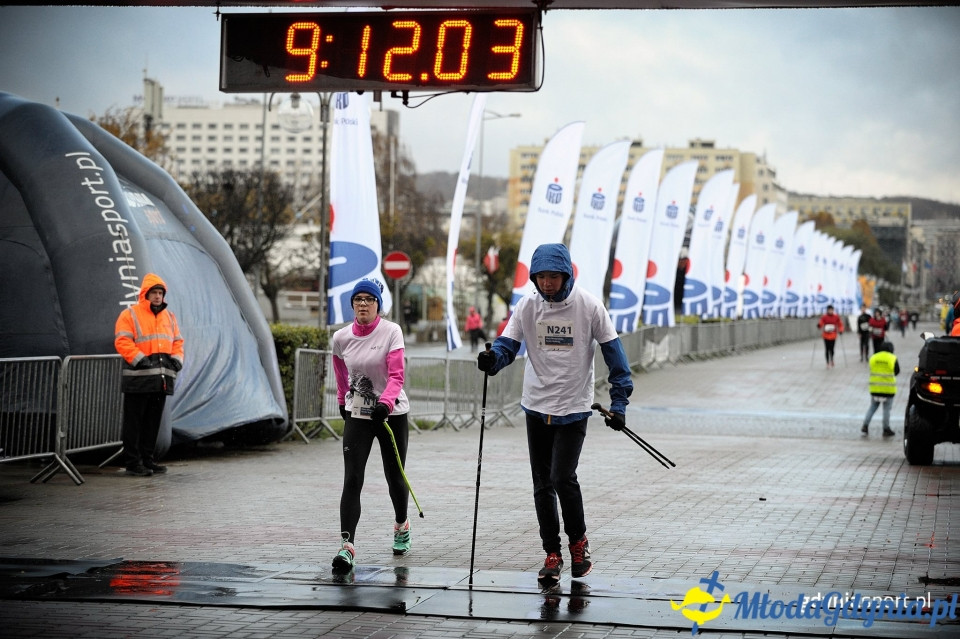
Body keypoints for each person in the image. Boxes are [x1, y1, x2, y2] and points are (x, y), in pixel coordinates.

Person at [476, 243, 633, 582]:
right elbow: (507, 345)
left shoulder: (589, 306)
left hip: (574, 407)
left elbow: (616, 358)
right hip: (536, 405)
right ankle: (552, 553)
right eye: (541, 277)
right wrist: (493, 360)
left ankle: (578, 543)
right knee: (542, 483)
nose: (547, 283)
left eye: (553, 276)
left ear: (566, 275)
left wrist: (619, 403)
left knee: (562, 477)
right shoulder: (527, 306)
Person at [330, 278, 411, 573]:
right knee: (352, 478)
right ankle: (347, 546)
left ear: (378, 304)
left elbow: (397, 375)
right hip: (359, 414)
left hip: (391, 413)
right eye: (358, 299)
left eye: (369, 299)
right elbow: (341, 374)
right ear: (352, 304)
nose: (363, 304)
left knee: (394, 477)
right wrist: (342, 401)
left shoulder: (391, 331)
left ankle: (401, 524)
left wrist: (385, 404)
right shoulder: (341, 337)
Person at [114, 273, 184, 477]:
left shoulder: (169, 317)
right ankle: (133, 463)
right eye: (154, 292)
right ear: (145, 294)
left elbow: (178, 342)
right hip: (138, 379)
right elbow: (122, 341)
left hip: (160, 380)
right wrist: (140, 359)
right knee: (134, 423)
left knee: (152, 423)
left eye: (160, 292)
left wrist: (177, 360)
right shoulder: (130, 314)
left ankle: (147, 460)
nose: (157, 296)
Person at [862, 341, 899, 437]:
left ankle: (865, 425)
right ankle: (886, 429)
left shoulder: (873, 357)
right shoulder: (892, 358)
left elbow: (871, 368)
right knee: (886, 410)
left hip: (875, 388)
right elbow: (897, 371)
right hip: (888, 389)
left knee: (872, 407)